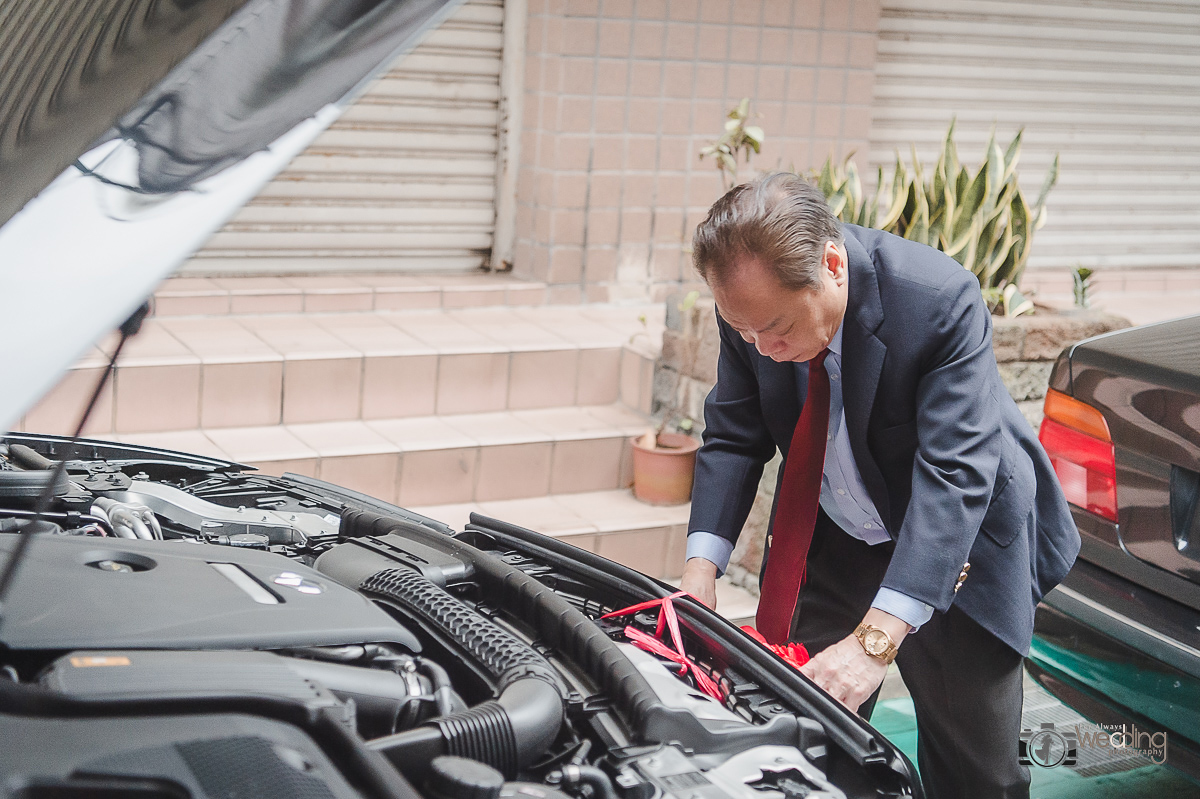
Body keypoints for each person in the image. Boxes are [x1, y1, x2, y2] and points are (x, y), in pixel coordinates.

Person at [678, 172, 1080, 799]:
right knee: (808, 737)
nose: (762, 347)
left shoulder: (938, 299)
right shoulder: (752, 311)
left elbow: (955, 474)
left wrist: (873, 643)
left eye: (776, 328)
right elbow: (733, 433)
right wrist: (700, 577)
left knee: (975, 773)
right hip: (843, 536)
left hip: (958, 544)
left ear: (831, 264)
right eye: (745, 332)